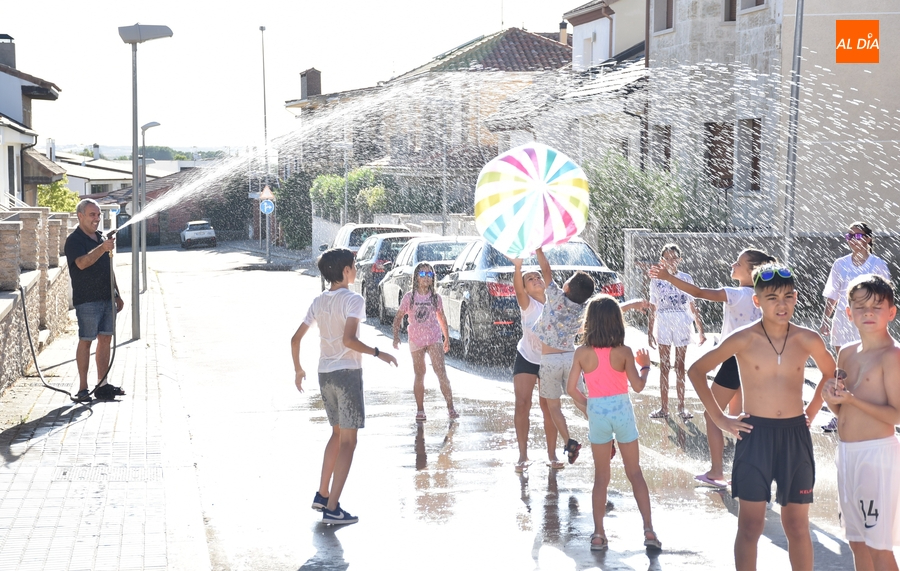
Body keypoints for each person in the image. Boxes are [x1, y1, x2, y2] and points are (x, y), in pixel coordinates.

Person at [687, 264, 835, 571]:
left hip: (795, 436)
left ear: (796, 298)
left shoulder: (807, 339)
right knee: (751, 526)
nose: (781, 304)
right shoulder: (744, 339)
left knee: (796, 525)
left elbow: (831, 373)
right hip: (756, 435)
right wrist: (720, 419)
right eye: (772, 298)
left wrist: (810, 412)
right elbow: (696, 371)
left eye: (787, 297)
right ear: (757, 301)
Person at [650, 248, 774, 488]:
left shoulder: (736, 294)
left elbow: (697, 292)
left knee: (713, 415)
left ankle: (717, 472)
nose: (732, 264)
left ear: (751, 272)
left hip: (734, 360)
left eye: (738, 263)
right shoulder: (763, 296)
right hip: (756, 363)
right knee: (742, 419)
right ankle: (750, 469)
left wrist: (668, 277)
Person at [291, 248, 398, 525]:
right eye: (353, 266)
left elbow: (295, 339)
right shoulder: (353, 300)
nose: (355, 270)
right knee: (349, 442)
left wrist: (298, 369)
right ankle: (333, 508)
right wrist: (378, 352)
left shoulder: (319, 301)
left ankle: (323, 493)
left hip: (324, 374)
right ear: (346, 271)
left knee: (336, 435)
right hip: (347, 374)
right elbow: (349, 340)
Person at [533, 247, 645, 465]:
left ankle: (569, 441)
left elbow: (545, 269)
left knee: (553, 406)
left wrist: (538, 248)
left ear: (566, 286)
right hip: (570, 357)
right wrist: (632, 304)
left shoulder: (555, 296)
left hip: (549, 360)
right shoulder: (584, 309)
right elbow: (611, 309)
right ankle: (601, 429)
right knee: (580, 400)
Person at [567, 295, 661, 552]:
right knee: (635, 473)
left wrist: (590, 407)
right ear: (617, 323)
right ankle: (649, 531)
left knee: (601, 478)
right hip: (623, 414)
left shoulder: (582, 353)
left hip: (597, 413)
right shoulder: (624, 353)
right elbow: (639, 387)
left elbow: (571, 388)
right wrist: (645, 367)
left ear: (590, 323)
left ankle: (598, 534)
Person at [822, 274, 900, 571]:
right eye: (861, 307)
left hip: (877, 457)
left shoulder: (892, 356)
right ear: (848, 313)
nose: (868, 313)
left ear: (891, 312)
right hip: (847, 454)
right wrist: (832, 396)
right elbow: (841, 412)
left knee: (878, 545)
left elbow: (896, 415)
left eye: (877, 306)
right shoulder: (846, 352)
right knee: (856, 541)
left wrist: (853, 400)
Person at [64, 198, 125, 403]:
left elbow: (108, 268)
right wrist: (102, 248)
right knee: (86, 340)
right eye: (92, 214)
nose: (96, 218)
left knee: (105, 339)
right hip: (87, 300)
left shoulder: (100, 237)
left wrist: (116, 293)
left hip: (107, 297)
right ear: (80, 216)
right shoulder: (74, 240)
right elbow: (81, 263)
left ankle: (102, 385)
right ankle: (83, 388)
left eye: (98, 215)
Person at [509, 258, 560, 472]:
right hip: (527, 357)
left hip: (548, 361)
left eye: (537, 276)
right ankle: (523, 454)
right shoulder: (528, 305)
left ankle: (552, 454)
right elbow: (517, 290)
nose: (535, 279)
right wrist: (518, 266)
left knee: (549, 409)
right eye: (529, 279)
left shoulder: (556, 302)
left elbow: (546, 271)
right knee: (522, 404)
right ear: (526, 289)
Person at [392, 262, 458, 421]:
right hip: (416, 339)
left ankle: (450, 407)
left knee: (440, 372)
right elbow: (398, 317)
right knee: (419, 374)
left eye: (429, 275)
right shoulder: (410, 297)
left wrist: (446, 337)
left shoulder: (436, 298)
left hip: (433, 337)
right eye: (422, 274)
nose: (426, 278)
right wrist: (396, 336)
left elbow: (441, 318)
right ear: (416, 277)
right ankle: (420, 409)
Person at [647, 243, 706, 420]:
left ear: (679, 260)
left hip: (682, 322)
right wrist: (650, 330)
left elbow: (692, 304)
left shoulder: (686, 278)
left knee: (680, 366)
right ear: (662, 261)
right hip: (664, 321)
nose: (671, 261)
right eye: (667, 258)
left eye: (674, 258)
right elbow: (653, 306)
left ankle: (681, 407)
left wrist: (700, 330)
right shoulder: (656, 279)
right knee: (664, 366)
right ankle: (664, 408)